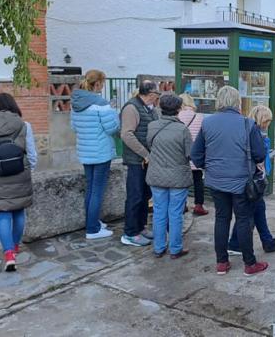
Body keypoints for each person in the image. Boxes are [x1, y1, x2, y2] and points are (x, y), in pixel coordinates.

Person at [191, 86, 268, 276]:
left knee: (221, 218)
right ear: (237, 102)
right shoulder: (247, 124)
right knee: (243, 220)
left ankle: (222, 263)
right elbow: (259, 155)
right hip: (242, 181)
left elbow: (195, 154)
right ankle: (249, 264)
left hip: (216, 181)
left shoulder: (208, 123)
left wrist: (207, 166)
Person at [0, 93, 38, 272]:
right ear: (13, 105)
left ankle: (9, 254)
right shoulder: (24, 125)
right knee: (19, 212)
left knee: (3, 215)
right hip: (20, 174)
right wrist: (28, 170)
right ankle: (15, 248)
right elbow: (32, 155)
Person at [227, 105, 275, 254]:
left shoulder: (246, 131)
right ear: (260, 120)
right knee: (248, 214)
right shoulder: (256, 135)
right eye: (266, 121)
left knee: (258, 209)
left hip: (253, 178)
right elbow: (258, 157)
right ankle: (235, 244)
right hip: (252, 179)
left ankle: (267, 241)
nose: (268, 124)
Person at [70, 69, 120, 240]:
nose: (102, 87)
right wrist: (114, 111)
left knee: (91, 188)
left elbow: (74, 127)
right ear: (97, 83)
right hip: (100, 152)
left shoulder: (76, 103)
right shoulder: (101, 104)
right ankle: (92, 229)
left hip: (85, 151)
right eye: (103, 83)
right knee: (97, 190)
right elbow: (112, 128)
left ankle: (94, 222)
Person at [146, 95, 193, 259]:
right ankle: (175, 248)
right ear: (178, 109)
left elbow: (149, 146)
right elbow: (189, 154)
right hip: (178, 177)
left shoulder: (152, 126)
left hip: (156, 175)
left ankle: (158, 248)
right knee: (175, 213)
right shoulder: (182, 130)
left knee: (159, 212)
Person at [120, 80, 161, 247]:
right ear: (150, 94)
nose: (157, 98)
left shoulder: (149, 109)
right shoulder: (131, 108)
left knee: (145, 195)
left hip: (146, 161)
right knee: (135, 196)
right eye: (156, 94)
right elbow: (126, 134)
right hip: (137, 160)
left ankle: (141, 227)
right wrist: (145, 154)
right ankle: (130, 232)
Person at [178, 93, 208, 216]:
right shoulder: (200, 117)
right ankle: (199, 205)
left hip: (182, 156)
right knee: (198, 180)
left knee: (182, 182)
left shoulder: (177, 116)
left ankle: (183, 205)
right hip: (195, 155)